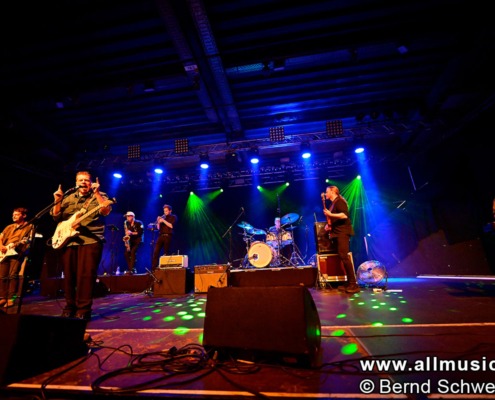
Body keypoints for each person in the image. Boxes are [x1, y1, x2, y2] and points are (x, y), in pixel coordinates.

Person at [50, 171, 113, 320]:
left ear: (91, 183)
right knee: (69, 277)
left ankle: (83, 310)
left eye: (87, 180)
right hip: (68, 240)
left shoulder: (100, 195)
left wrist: (97, 194)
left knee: (86, 277)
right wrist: (57, 200)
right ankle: (69, 307)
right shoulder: (68, 196)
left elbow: (105, 210)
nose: (84, 182)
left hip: (90, 240)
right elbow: (56, 216)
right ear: (76, 182)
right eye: (81, 180)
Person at [322, 185, 360, 294]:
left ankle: (353, 283)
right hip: (337, 232)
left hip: (343, 233)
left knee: (344, 256)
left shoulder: (339, 202)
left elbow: (344, 216)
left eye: (327, 191)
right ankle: (349, 282)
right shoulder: (334, 203)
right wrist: (329, 226)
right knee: (342, 257)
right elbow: (336, 219)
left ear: (333, 192)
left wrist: (330, 214)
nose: (326, 194)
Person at [0, 207, 33, 308]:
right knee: (2, 276)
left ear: (24, 216)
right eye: (13, 214)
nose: (14, 216)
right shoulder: (9, 227)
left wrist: (19, 244)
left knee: (13, 275)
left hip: (17, 253)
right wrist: (1, 246)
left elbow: (28, 240)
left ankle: (11, 298)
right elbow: (0, 237)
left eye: (17, 214)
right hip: (4, 252)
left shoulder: (29, 226)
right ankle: (2, 298)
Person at [152, 204, 177, 270]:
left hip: (168, 236)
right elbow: (158, 228)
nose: (165, 212)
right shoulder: (163, 217)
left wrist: (163, 221)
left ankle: (167, 268)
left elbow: (171, 226)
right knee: (155, 252)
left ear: (170, 211)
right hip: (161, 236)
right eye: (164, 211)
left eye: (166, 211)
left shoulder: (173, 217)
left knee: (166, 253)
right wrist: (158, 222)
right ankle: (154, 268)